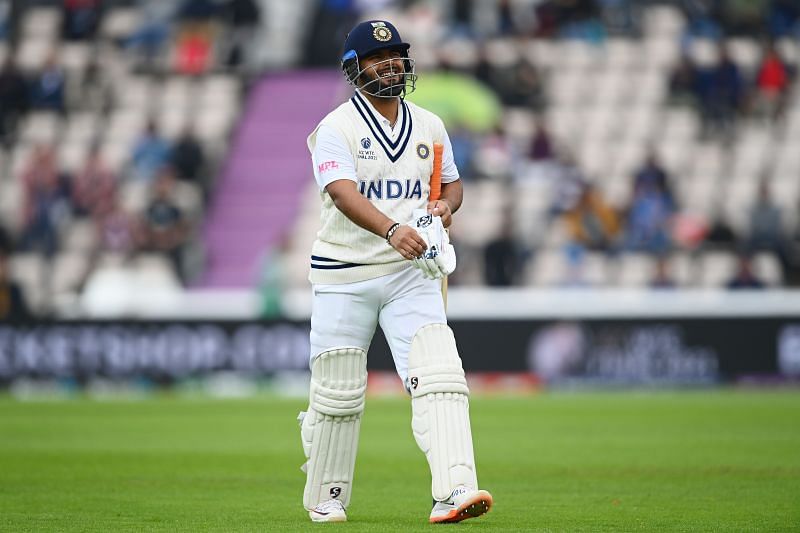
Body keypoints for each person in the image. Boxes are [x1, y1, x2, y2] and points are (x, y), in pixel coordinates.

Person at [299, 20, 493, 524]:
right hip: (345, 272)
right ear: (353, 68)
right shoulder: (334, 129)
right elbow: (342, 194)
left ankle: (455, 490)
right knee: (337, 392)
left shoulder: (429, 124)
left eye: (396, 56)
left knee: (440, 374)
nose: (388, 64)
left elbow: (452, 185)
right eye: (375, 57)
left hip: (412, 271)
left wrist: (445, 209)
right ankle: (327, 494)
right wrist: (390, 230)